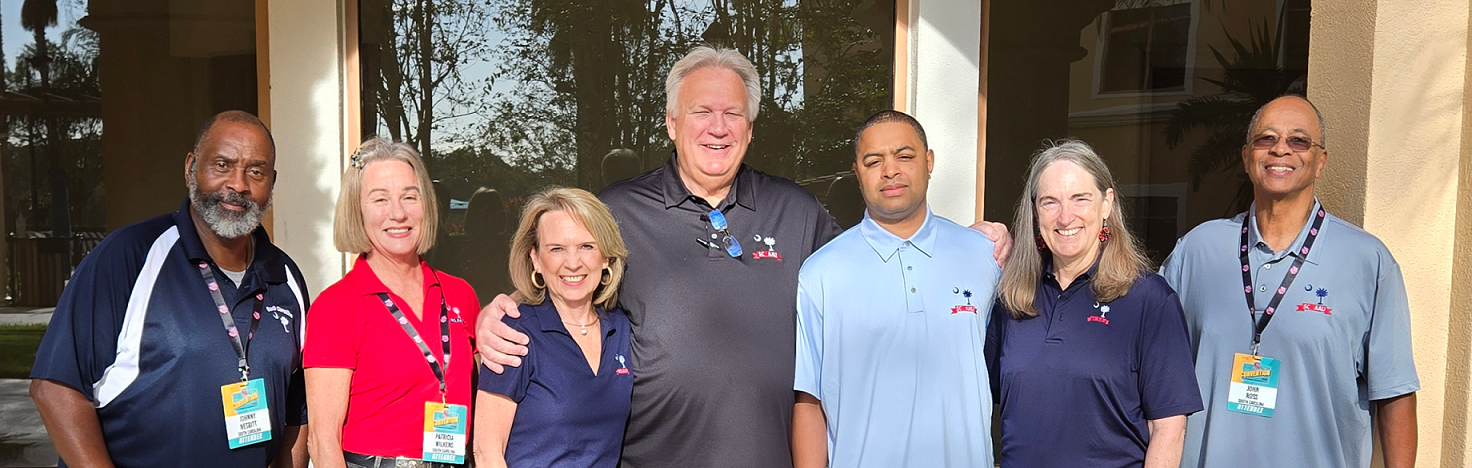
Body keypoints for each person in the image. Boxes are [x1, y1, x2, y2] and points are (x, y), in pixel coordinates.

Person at [472, 46, 1014, 468]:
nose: (717, 126)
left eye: (732, 113)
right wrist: (503, 308)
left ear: (750, 130)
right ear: (671, 123)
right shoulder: (618, 210)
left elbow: (871, 260)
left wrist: (957, 242)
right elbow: (568, 266)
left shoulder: (795, 211)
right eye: (701, 112)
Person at [28, 110, 310, 468]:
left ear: (271, 181)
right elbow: (54, 388)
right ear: (191, 168)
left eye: (255, 171)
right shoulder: (128, 255)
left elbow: (296, 407)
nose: (238, 185)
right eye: (222, 165)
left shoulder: (284, 276)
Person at [1161, 95, 1419, 468]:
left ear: (1320, 162)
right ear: (1247, 156)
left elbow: (1394, 393)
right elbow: (1150, 368)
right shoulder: (1197, 251)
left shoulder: (1367, 262)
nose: (1280, 149)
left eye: (1299, 141)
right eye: (1266, 139)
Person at [791, 111, 1001, 467]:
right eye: (874, 161)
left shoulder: (985, 258)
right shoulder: (821, 273)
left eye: (904, 156)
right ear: (857, 171)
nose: (890, 170)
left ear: (929, 161)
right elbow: (809, 405)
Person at [983, 139, 1200, 467]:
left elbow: (1169, 428)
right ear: (1034, 210)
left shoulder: (1149, 300)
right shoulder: (1013, 298)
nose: (1065, 216)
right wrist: (963, 245)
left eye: (1080, 199)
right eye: (1049, 202)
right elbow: (971, 395)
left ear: (1106, 203)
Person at [304, 137, 481, 468]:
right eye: (380, 199)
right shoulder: (337, 307)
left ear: (426, 204)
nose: (397, 213)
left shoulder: (460, 295)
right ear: (357, 211)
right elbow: (322, 439)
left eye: (409, 197)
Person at [474, 187, 633, 468]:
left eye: (587, 246)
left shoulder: (620, 327)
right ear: (535, 259)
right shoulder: (514, 333)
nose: (573, 263)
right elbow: (487, 453)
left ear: (606, 256)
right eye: (557, 248)